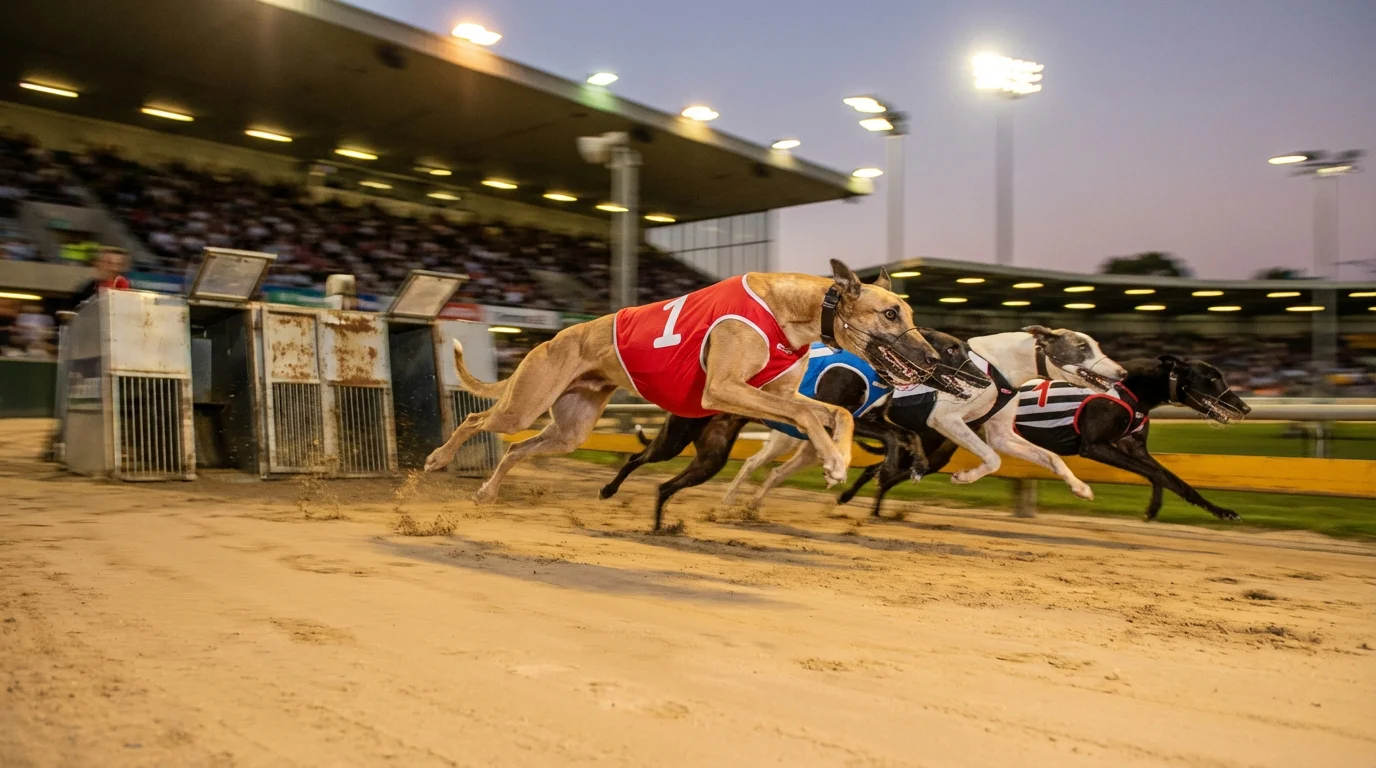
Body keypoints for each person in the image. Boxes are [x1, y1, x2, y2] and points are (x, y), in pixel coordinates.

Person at [68, 246, 131, 310]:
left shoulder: (131, 293)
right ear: (98, 264)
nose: (114, 268)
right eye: (109, 263)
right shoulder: (85, 293)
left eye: (118, 264)